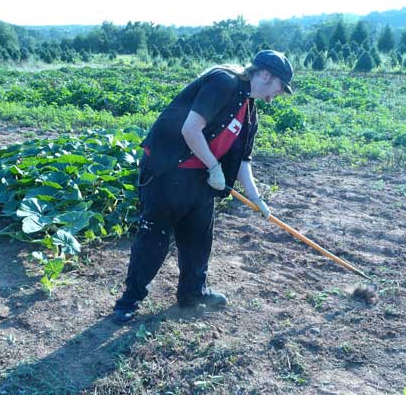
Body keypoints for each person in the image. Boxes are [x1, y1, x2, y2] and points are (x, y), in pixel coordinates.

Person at [113, 50, 293, 323]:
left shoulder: (249, 111)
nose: (279, 93)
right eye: (281, 86)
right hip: (167, 171)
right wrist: (213, 166)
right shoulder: (224, 82)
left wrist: (257, 199)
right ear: (265, 75)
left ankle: (193, 294)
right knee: (154, 239)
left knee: (198, 239)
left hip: (199, 179)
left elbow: (243, 161)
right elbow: (191, 129)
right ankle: (129, 300)